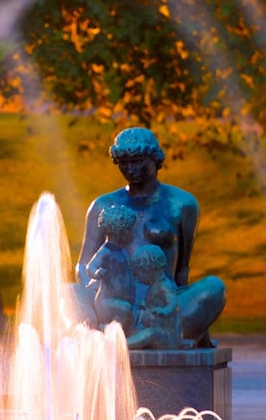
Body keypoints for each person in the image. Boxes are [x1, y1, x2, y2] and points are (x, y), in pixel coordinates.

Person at [75, 127, 225, 347]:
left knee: (215, 288)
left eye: (138, 162)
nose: (131, 169)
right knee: (68, 292)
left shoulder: (182, 204)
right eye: (124, 163)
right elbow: (83, 265)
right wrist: (104, 294)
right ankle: (104, 335)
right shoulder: (103, 205)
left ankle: (135, 335)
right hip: (114, 302)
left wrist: (172, 303)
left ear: (155, 159)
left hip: (158, 302)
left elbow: (182, 269)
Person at [125, 244, 192, 350]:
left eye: (137, 273)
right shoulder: (155, 286)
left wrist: (165, 310)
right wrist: (145, 306)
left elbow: (173, 301)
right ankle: (121, 341)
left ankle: (121, 346)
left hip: (168, 336)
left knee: (149, 334)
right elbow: (154, 304)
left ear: (147, 269)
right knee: (136, 330)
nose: (136, 277)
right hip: (155, 328)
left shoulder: (164, 286)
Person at [85, 205, 137, 333]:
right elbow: (90, 266)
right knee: (125, 309)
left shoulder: (122, 251)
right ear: (119, 231)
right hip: (106, 301)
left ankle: (119, 332)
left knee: (130, 311)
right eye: (130, 230)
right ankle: (106, 330)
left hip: (122, 300)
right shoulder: (106, 251)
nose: (133, 233)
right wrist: (96, 273)